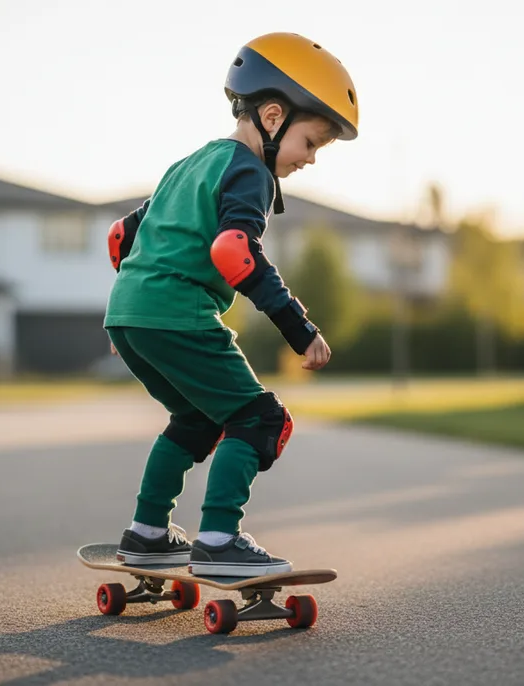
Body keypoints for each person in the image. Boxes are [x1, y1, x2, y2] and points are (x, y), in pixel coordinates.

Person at [102, 32, 359, 577]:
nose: (310, 160)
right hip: (177, 314)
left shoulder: (190, 163)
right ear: (272, 117)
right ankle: (219, 539)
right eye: (310, 143)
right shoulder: (249, 171)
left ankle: (147, 534)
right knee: (261, 419)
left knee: (195, 419)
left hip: (128, 316)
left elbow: (122, 237)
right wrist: (298, 327)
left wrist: (146, 293)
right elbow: (234, 249)